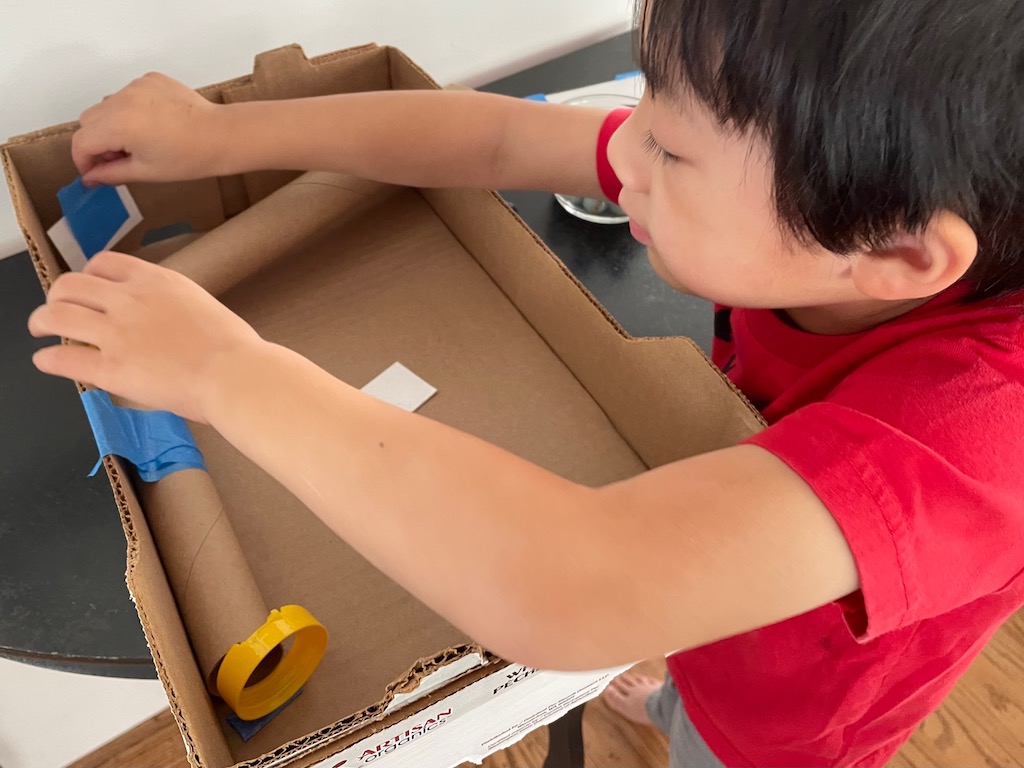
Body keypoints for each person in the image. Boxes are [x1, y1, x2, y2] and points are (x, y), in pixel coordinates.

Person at [26, 0, 1024, 765]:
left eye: (669, 148)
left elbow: (576, 582)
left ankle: (685, 711)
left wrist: (222, 369)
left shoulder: (981, 437)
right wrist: (225, 138)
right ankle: (675, 678)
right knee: (680, 639)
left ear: (896, 255)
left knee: (712, 736)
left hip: (788, 720)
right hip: (726, 586)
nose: (621, 152)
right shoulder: (835, 211)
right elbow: (499, 138)